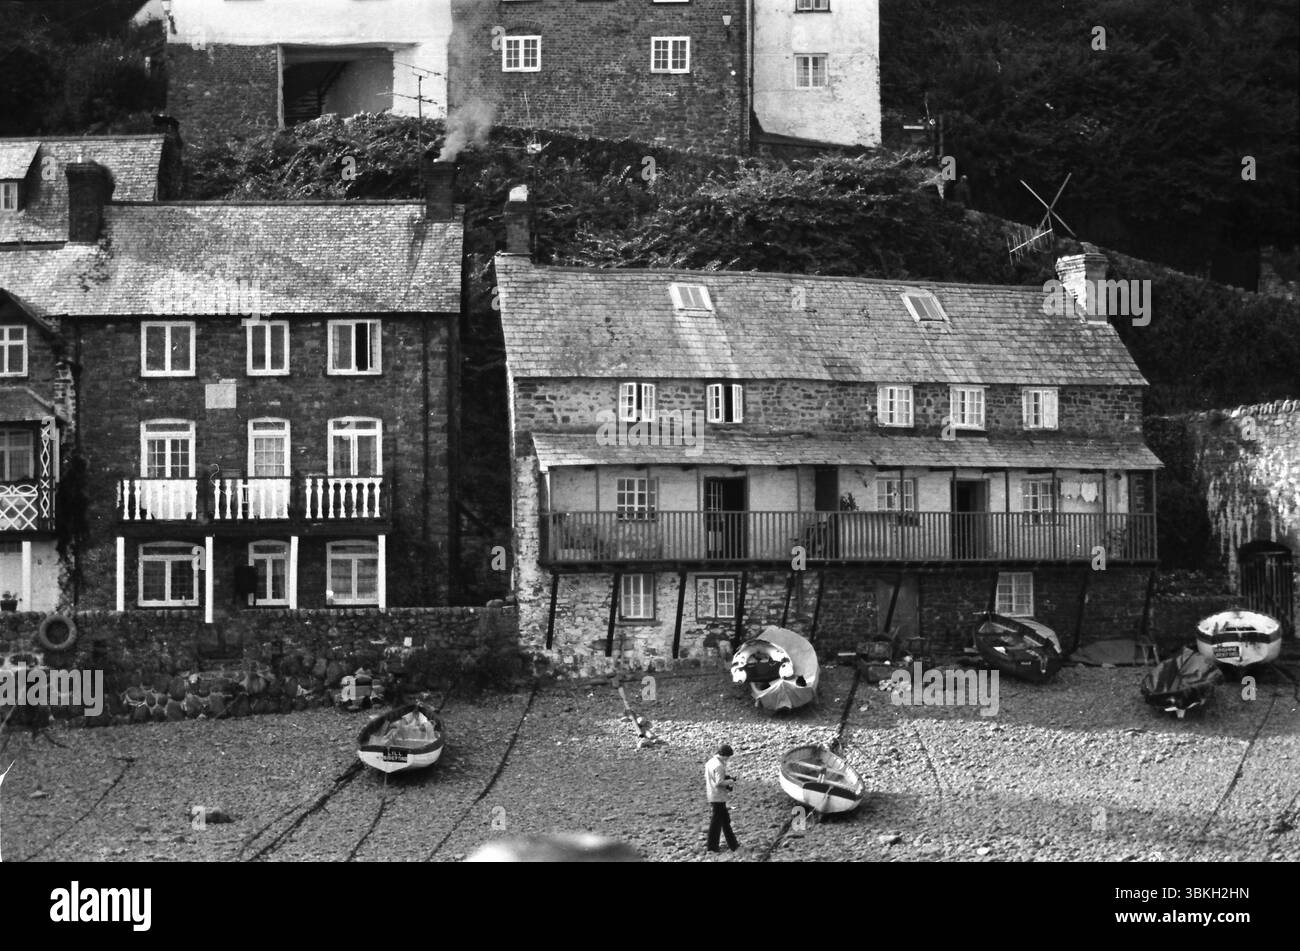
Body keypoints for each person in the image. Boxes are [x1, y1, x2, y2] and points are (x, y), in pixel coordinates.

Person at [705, 744, 740, 854]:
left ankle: (733, 845)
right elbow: (719, 783)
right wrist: (730, 781)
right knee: (717, 823)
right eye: (728, 757)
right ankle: (712, 847)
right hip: (718, 796)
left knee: (725, 821)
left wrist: (726, 777)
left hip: (711, 794)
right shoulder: (719, 765)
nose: (728, 759)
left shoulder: (710, 762)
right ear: (724, 755)